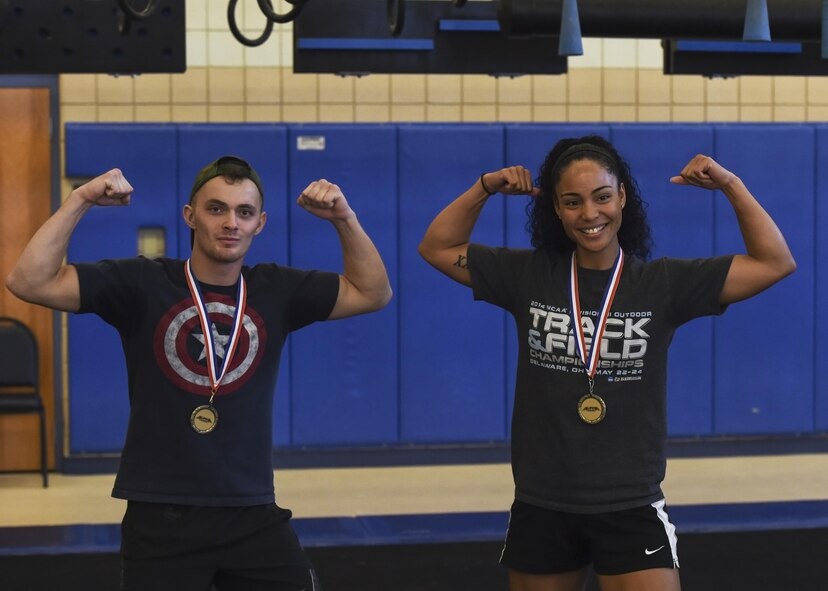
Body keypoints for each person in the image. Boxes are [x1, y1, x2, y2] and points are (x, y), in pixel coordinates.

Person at [418, 136, 795, 591]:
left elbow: (774, 262)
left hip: (629, 502)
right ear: (556, 210)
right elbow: (437, 247)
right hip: (544, 501)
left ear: (622, 198)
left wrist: (732, 185)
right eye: (572, 202)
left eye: (602, 197)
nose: (590, 214)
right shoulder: (528, 275)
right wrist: (484, 186)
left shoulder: (664, 284)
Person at [6, 155, 392, 591]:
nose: (231, 222)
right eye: (216, 209)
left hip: (251, 511)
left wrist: (344, 218)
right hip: (161, 515)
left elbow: (373, 292)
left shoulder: (277, 289)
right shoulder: (141, 283)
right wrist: (79, 199)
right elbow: (29, 281)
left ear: (259, 223)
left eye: (244, 212)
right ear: (190, 216)